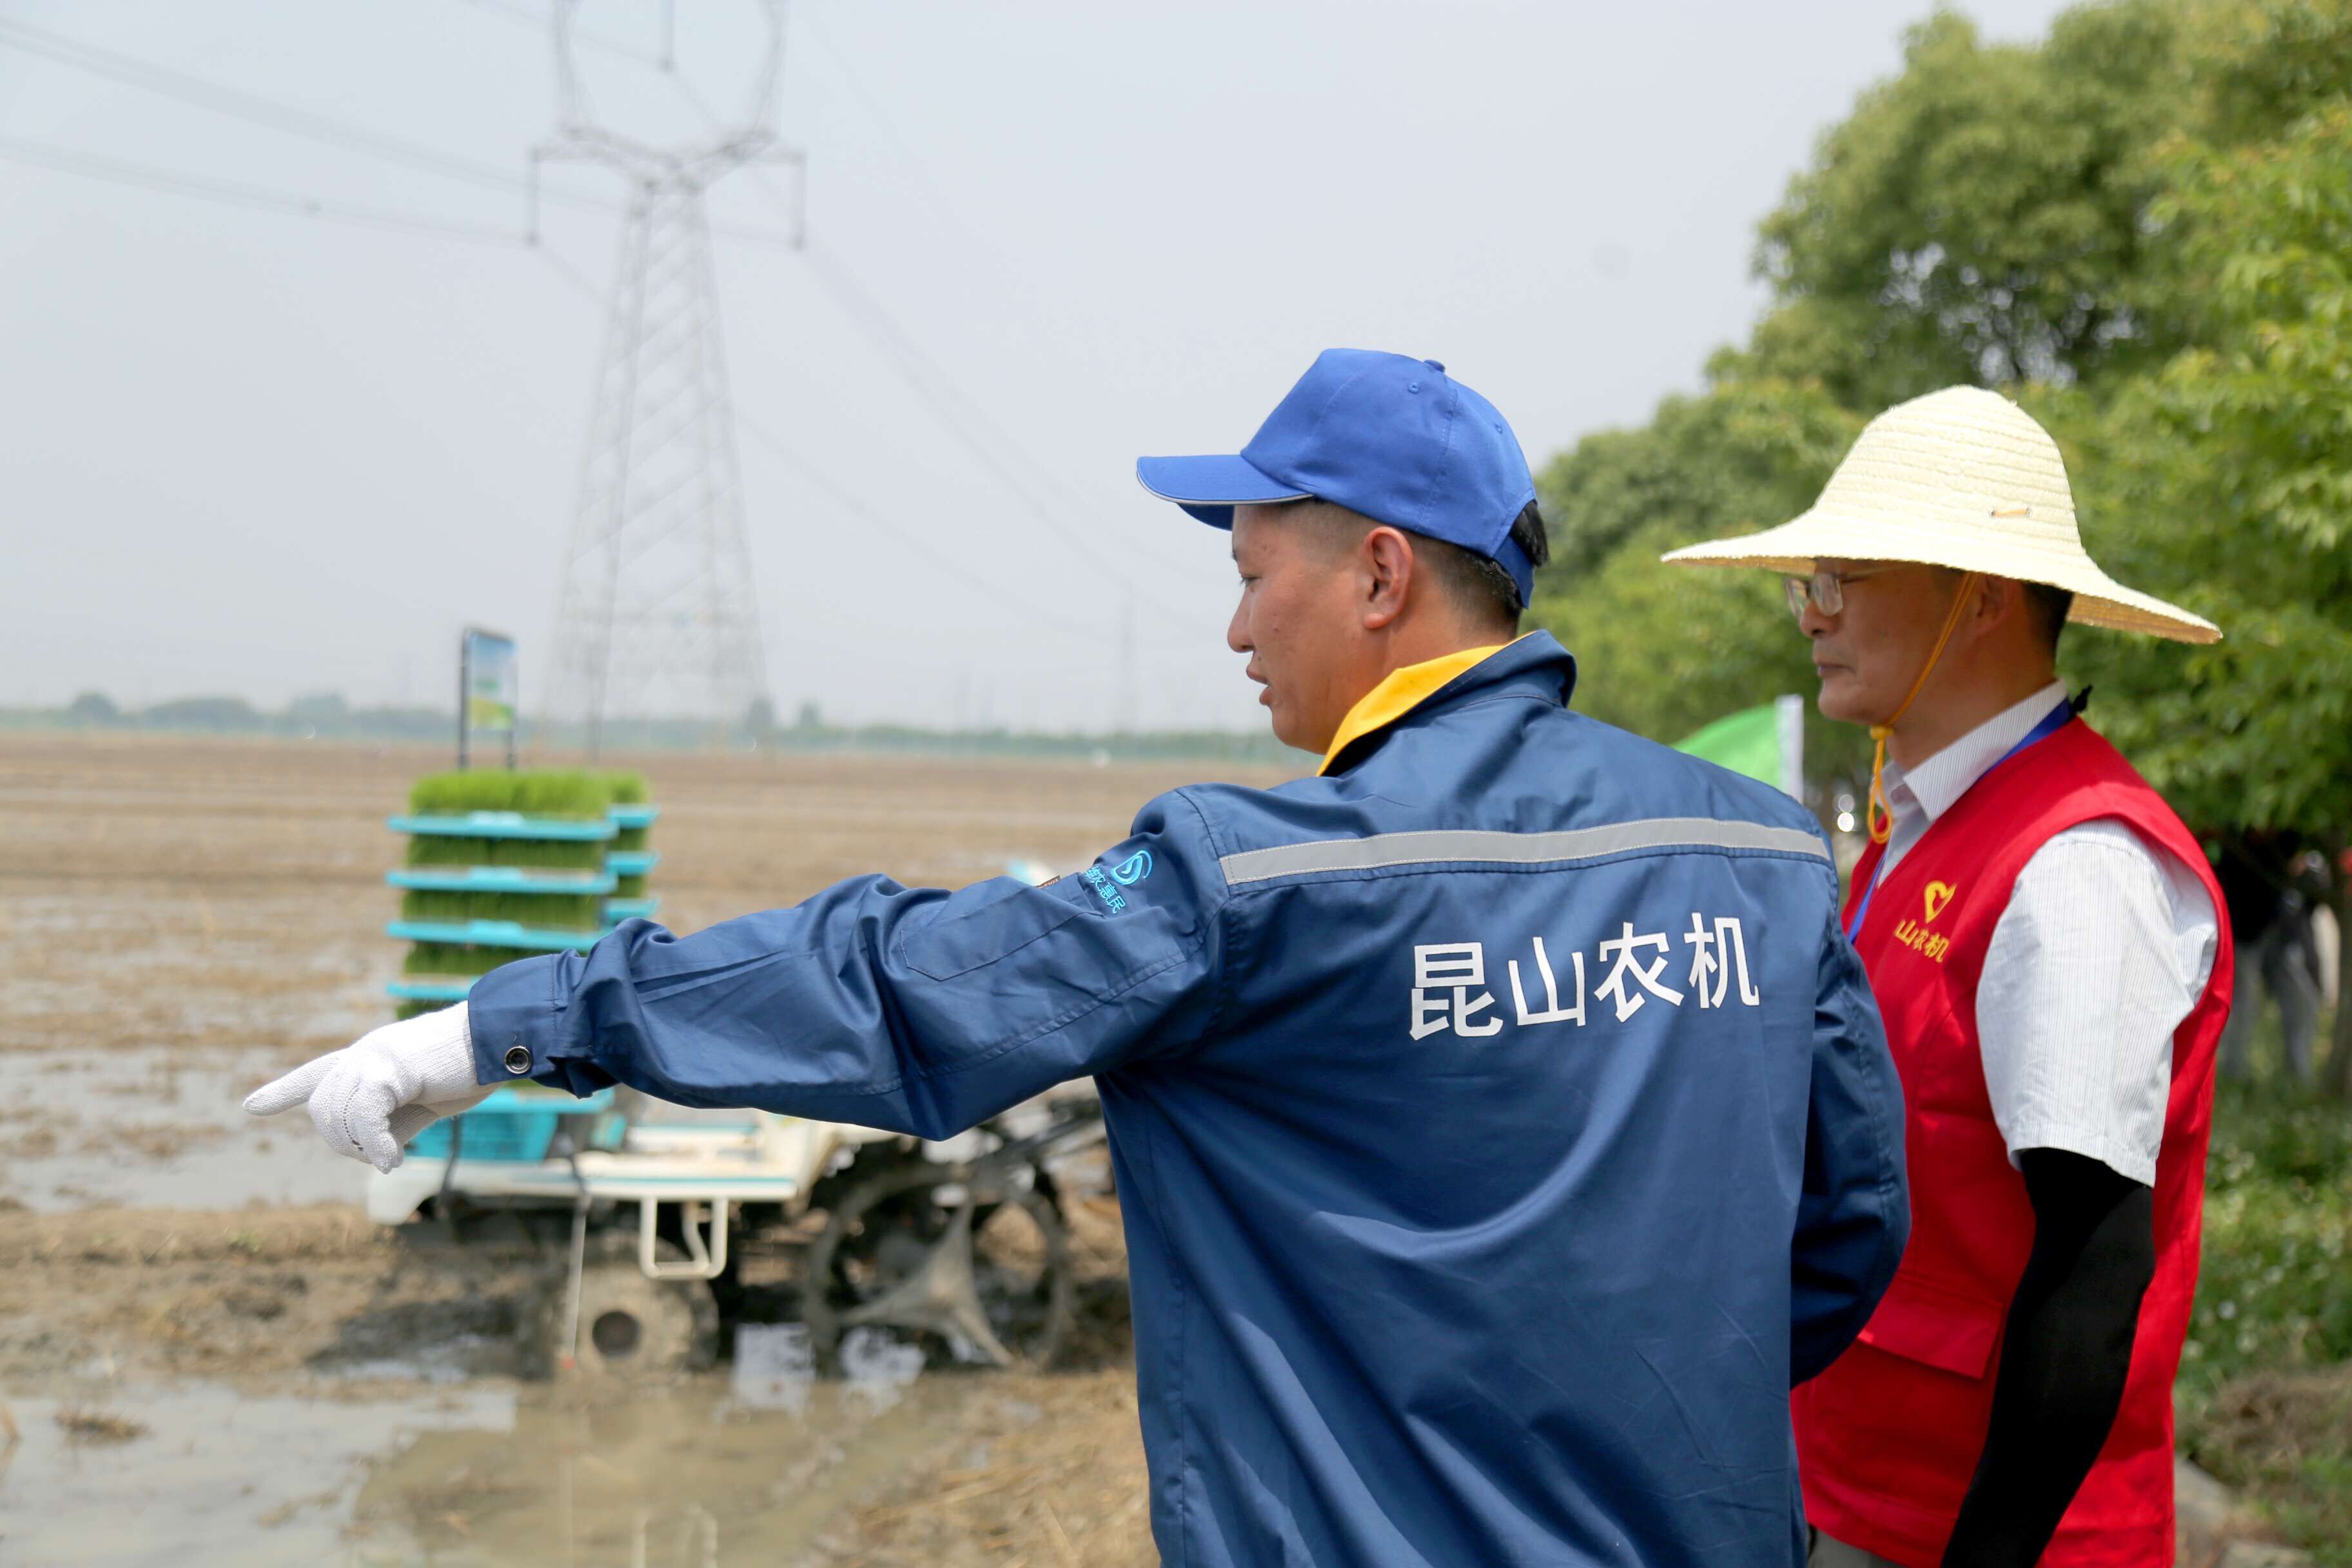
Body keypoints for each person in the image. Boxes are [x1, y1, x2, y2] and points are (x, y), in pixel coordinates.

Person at [251, 348, 1908, 1567]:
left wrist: (497, 1026)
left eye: (1258, 574)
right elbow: (1843, 1233)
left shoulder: (1253, 881)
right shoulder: (1762, 851)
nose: (1240, 627)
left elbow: (894, 986)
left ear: (1383, 575)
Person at [1665, 386, 2234, 1568]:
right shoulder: (1915, 829)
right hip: (1859, 1492)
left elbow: (2091, 1257)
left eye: (1844, 579)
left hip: (1987, 1535)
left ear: (1977, 597)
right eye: (1807, 583)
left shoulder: (2077, 867)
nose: (1812, 614)